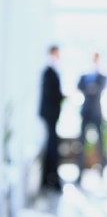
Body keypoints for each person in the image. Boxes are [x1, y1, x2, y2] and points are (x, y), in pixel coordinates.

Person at [77, 52, 107, 180]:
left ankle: (102, 169)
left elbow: (98, 89)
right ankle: (79, 170)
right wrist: (91, 89)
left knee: (100, 141)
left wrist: (90, 89)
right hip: (85, 111)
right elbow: (79, 87)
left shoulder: (102, 76)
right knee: (81, 141)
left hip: (96, 112)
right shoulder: (84, 75)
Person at [39, 45, 64, 191]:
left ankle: (50, 177)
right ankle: (51, 178)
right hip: (50, 114)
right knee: (52, 145)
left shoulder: (52, 71)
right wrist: (62, 95)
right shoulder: (48, 72)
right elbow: (51, 94)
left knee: (52, 144)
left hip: (52, 115)